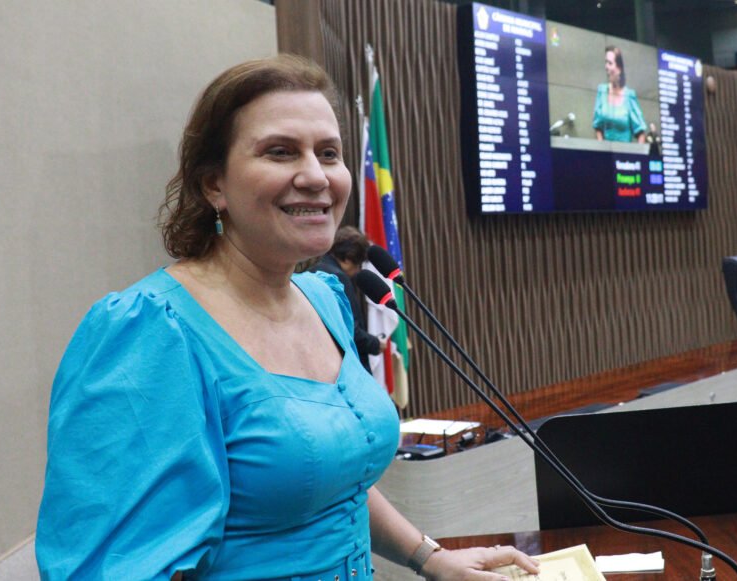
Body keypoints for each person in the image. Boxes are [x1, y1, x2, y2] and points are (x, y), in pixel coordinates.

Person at [36, 55, 539, 580]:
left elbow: (333, 482)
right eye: (280, 152)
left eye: (329, 153)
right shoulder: (149, 333)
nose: (315, 176)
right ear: (214, 185)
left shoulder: (323, 299)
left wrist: (433, 560)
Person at [313, 226, 387, 372]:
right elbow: (349, 329)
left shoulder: (312, 272)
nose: (358, 272)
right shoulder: (338, 278)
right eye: (358, 265)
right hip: (345, 367)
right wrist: (375, 344)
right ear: (347, 259)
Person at [593, 46, 646, 143]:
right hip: (606, 155)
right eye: (606, 62)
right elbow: (597, 127)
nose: (606, 67)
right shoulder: (601, 91)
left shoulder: (629, 95)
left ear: (619, 68)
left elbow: (641, 133)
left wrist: (637, 156)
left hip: (624, 156)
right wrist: (601, 150)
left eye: (610, 63)